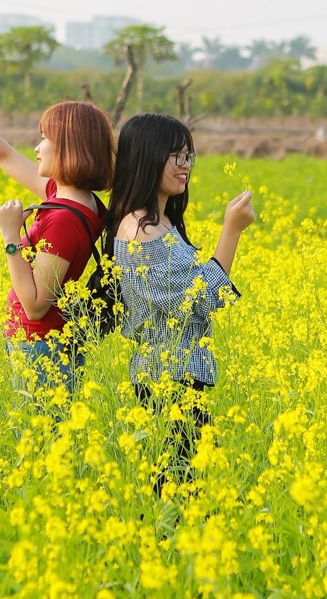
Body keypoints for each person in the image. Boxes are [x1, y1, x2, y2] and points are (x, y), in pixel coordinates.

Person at [0, 79, 115, 397]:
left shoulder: (64, 219)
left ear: (69, 147)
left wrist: (9, 236)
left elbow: (35, 305)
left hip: (42, 349)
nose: (37, 148)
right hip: (40, 345)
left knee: (40, 442)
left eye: (45, 139)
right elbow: (2, 154)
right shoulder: (68, 197)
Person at [104, 112, 254, 490]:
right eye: (175, 155)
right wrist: (231, 230)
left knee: (189, 497)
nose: (185, 165)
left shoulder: (159, 221)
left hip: (173, 379)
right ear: (147, 157)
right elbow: (200, 300)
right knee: (179, 500)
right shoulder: (143, 230)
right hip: (166, 383)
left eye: (189, 155)